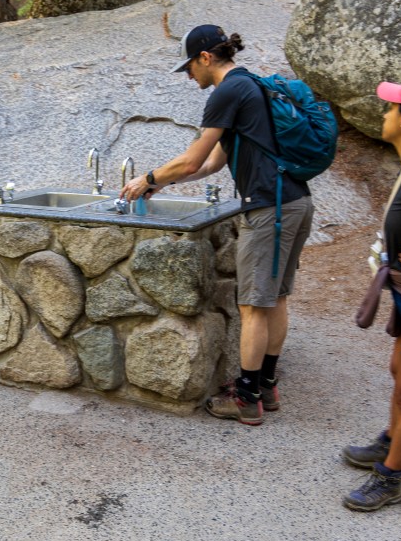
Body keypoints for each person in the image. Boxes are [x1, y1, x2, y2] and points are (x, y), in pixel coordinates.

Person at [121, 24, 314, 425]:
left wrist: (148, 178)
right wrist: (164, 183)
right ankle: (266, 386)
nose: (190, 77)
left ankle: (245, 398)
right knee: (274, 298)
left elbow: (193, 158)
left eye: (190, 67)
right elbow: (211, 164)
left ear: (205, 58)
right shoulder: (250, 86)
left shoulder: (227, 92)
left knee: (253, 305)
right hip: (295, 200)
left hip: (269, 208)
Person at [342, 80, 401, 512]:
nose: (382, 115)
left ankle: (390, 478)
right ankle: (392, 441)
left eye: (389, 108)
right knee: (399, 376)